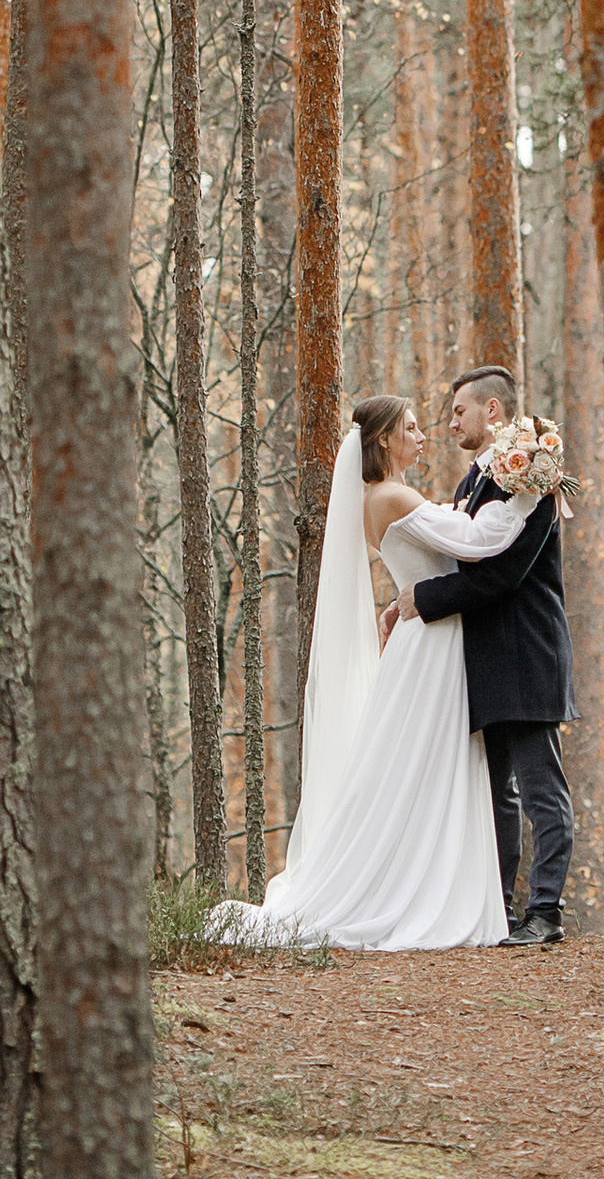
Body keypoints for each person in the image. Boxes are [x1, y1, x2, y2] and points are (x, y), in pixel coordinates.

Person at [209, 392, 532, 950]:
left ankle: (431, 883)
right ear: (383, 439)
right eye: (410, 427)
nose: (423, 434)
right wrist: (529, 493)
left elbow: (447, 530)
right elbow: (479, 542)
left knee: (422, 766)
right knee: (429, 765)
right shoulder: (390, 495)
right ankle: (423, 893)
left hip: (425, 637)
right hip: (432, 646)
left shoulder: (382, 497)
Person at [402, 363, 575, 945]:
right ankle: (498, 912)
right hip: (483, 660)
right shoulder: (473, 482)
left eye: (459, 411)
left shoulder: (531, 477)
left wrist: (422, 599)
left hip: (526, 652)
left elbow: (501, 577)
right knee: (496, 792)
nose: (451, 423)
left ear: (492, 411)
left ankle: (545, 911)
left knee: (540, 788)